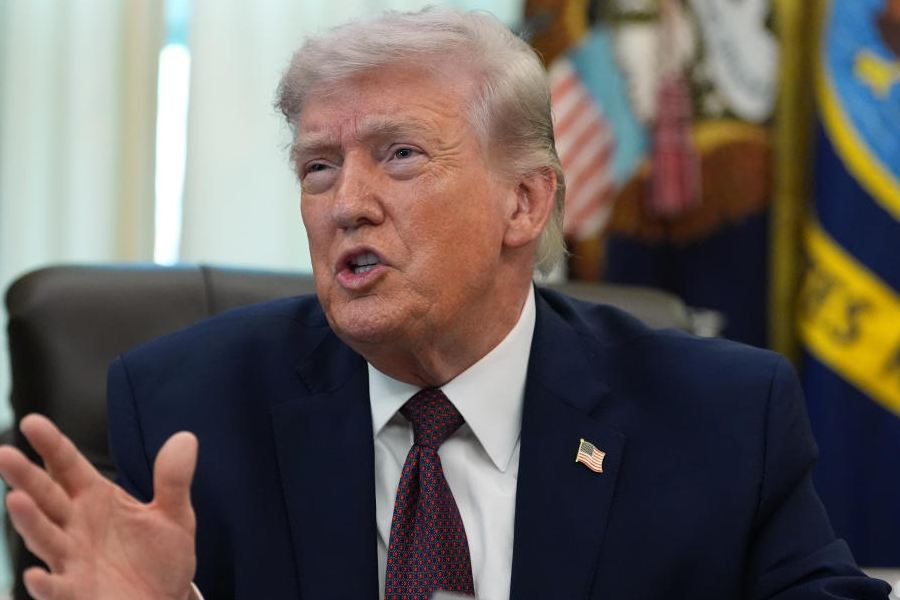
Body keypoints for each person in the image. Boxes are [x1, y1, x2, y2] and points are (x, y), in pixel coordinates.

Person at [0, 7, 891, 600]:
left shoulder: (717, 417)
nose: (346, 201)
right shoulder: (186, 410)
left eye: (399, 156)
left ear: (526, 202)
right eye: (318, 166)